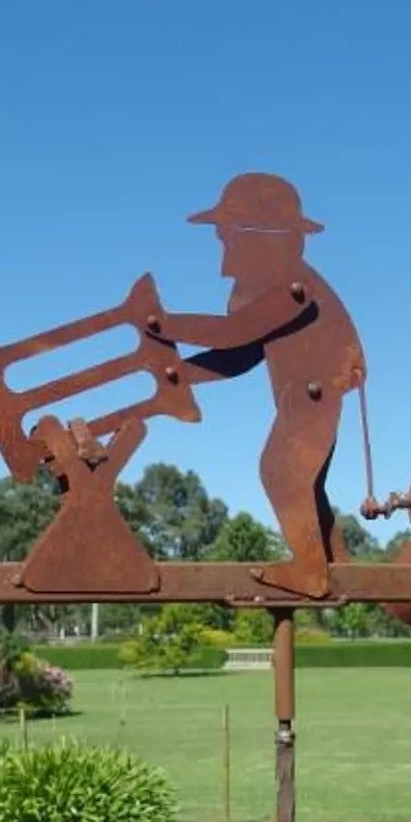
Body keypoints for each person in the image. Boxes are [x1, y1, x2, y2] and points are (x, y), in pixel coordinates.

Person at [155, 173, 367, 597]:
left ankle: (309, 571)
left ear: (260, 239)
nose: (224, 246)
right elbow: (239, 356)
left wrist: (162, 324)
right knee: (306, 482)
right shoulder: (269, 287)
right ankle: (332, 562)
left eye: (228, 236)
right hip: (304, 393)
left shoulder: (295, 289)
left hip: (314, 391)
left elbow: (234, 333)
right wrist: (180, 374)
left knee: (282, 471)